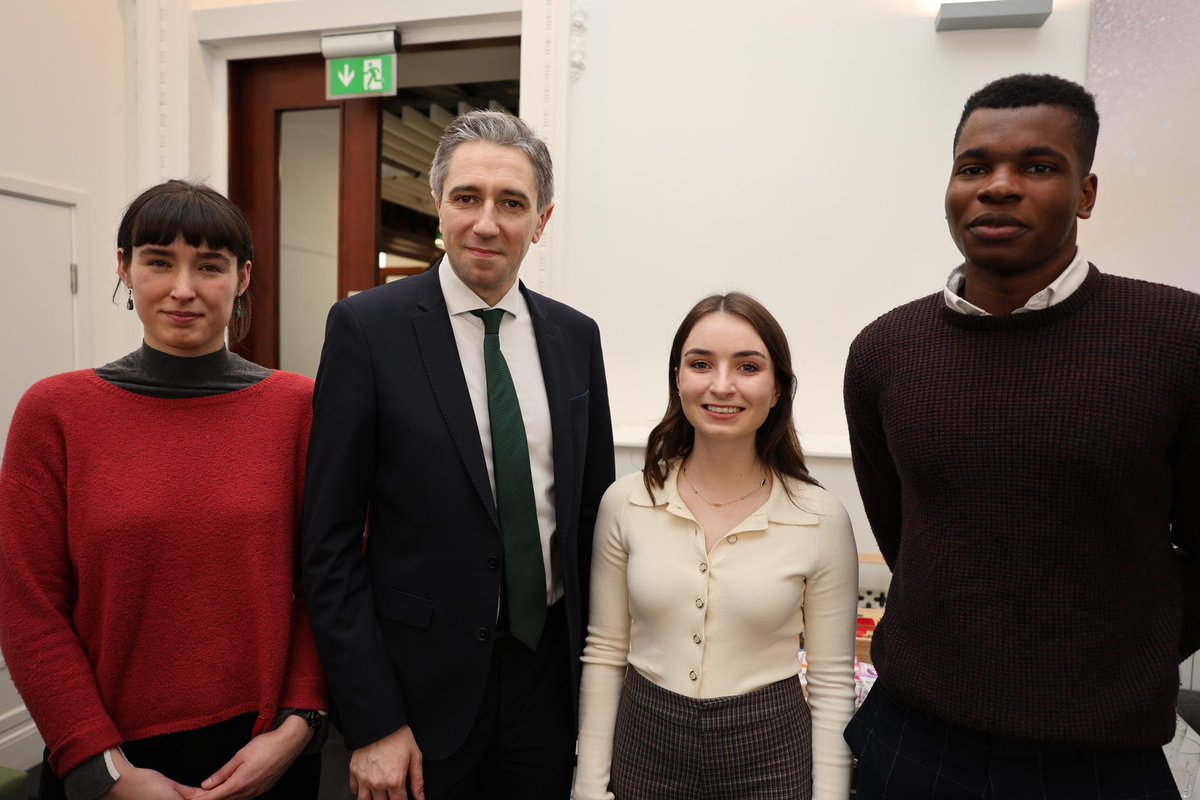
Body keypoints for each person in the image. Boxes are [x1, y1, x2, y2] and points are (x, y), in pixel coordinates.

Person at [843, 73, 1200, 798]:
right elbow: (906, 529)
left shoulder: (1178, 340)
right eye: (974, 167)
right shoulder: (885, 352)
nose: (998, 187)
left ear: (1087, 193)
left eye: (1038, 166)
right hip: (914, 740)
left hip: (1099, 757)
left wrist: (1130, 657)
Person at [302, 109, 615, 800]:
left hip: (547, 683)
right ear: (437, 202)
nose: (486, 222)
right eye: (467, 197)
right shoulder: (367, 328)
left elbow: (592, 521)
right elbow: (326, 542)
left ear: (542, 220)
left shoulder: (574, 338)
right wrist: (374, 719)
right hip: (417, 695)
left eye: (512, 203)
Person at [0, 180, 328, 800]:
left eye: (209, 266)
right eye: (158, 261)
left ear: (243, 277)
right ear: (123, 267)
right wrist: (104, 771)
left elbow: (327, 583)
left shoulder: (298, 409)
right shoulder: (56, 413)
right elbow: (29, 606)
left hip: (265, 754)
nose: (184, 289)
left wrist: (299, 726)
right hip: (110, 755)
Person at [574, 293, 859, 800]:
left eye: (748, 366)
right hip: (644, 741)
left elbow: (833, 682)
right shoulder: (626, 502)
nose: (721, 385)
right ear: (678, 379)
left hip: (769, 749)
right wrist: (588, 787)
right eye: (700, 364)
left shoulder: (820, 518)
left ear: (777, 391)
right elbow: (604, 653)